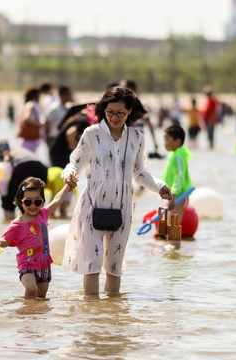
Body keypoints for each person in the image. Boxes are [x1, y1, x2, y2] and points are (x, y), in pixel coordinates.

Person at [62, 86, 173, 297]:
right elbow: (74, 163)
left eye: (120, 113)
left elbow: (140, 172)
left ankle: (112, 318)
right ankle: (94, 316)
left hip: (122, 205)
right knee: (93, 263)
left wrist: (159, 186)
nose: (114, 117)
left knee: (114, 264)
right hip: (93, 203)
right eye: (110, 112)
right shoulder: (92, 134)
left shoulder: (136, 137)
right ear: (103, 110)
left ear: (129, 111)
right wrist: (69, 175)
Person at [0, 177, 73, 299]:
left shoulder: (43, 214)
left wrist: (67, 186)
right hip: (27, 265)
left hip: (44, 264)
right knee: (31, 289)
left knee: (41, 297)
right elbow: (6, 241)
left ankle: (34, 314)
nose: (33, 206)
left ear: (42, 201)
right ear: (21, 202)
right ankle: (25, 312)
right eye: (28, 202)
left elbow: (57, 200)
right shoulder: (17, 224)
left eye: (37, 202)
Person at [0, 140, 48, 221]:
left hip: (23, 167)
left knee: (8, 198)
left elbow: (6, 160)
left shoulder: (5, 150)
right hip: (41, 168)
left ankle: (10, 225)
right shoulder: (20, 150)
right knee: (36, 200)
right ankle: (37, 225)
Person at [162, 124, 193, 233]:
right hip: (173, 196)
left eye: (167, 140)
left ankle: (175, 248)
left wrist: (174, 195)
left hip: (178, 197)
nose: (164, 143)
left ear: (178, 141)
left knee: (173, 226)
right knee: (166, 226)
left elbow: (179, 177)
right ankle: (169, 249)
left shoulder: (179, 156)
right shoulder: (173, 154)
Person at [17, 87, 43, 153]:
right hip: (29, 139)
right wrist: (40, 124)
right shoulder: (31, 104)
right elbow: (27, 119)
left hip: (30, 139)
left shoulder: (30, 104)